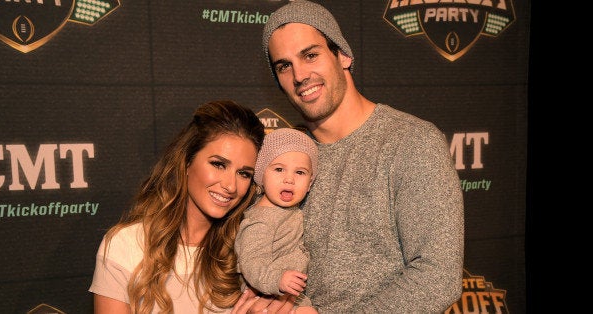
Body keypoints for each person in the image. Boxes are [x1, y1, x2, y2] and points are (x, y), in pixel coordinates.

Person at [246, 0, 466, 312]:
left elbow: (437, 277)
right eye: (284, 66)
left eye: (310, 55)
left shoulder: (411, 142)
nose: (299, 75)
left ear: (344, 55)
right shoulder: (287, 156)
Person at [89, 100, 266, 314]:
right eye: (219, 164)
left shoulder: (251, 253)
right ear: (186, 162)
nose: (230, 185)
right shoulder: (126, 245)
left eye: (244, 173)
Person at [234, 128, 319, 314]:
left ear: (310, 183)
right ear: (261, 175)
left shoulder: (288, 210)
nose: (289, 179)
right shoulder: (260, 220)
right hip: (266, 294)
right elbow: (251, 262)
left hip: (291, 294)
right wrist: (278, 280)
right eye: (279, 169)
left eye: (300, 172)